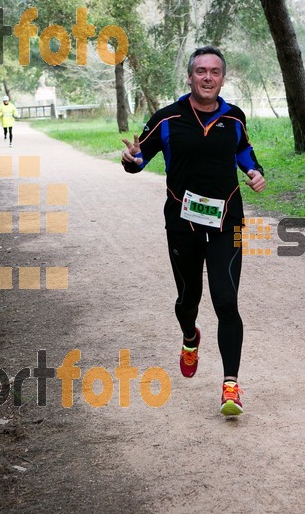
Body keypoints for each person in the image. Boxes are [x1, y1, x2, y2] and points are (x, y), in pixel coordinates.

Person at [121, 46, 266, 416]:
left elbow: (244, 150)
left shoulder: (234, 118)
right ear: (189, 77)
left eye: (214, 71)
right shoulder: (167, 118)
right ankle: (190, 336)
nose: (207, 77)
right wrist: (132, 160)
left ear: (222, 78)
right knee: (189, 300)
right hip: (182, 222)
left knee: (226, 300)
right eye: (200, 71)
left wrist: (254, 170)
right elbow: (140, 158)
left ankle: (230, 386)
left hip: (226, 220)